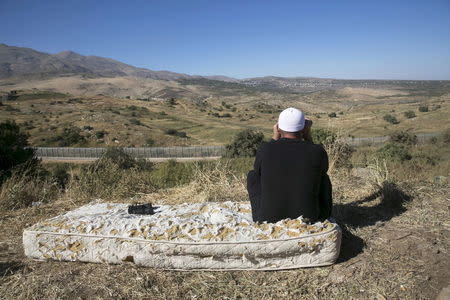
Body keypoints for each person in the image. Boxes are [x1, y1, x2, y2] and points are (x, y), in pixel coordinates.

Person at [247, 107, 332, 223]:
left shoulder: (265, 149)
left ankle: (264, 210)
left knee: (253, 175)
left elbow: (258, 170)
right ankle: (324, 212)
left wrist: (274, 137)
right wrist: (307, 135)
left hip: (267, 218)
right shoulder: (317, 151)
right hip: (309, 217)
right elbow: (318, 164)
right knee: (323, 177)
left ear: (278, 128)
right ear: (304, 128)